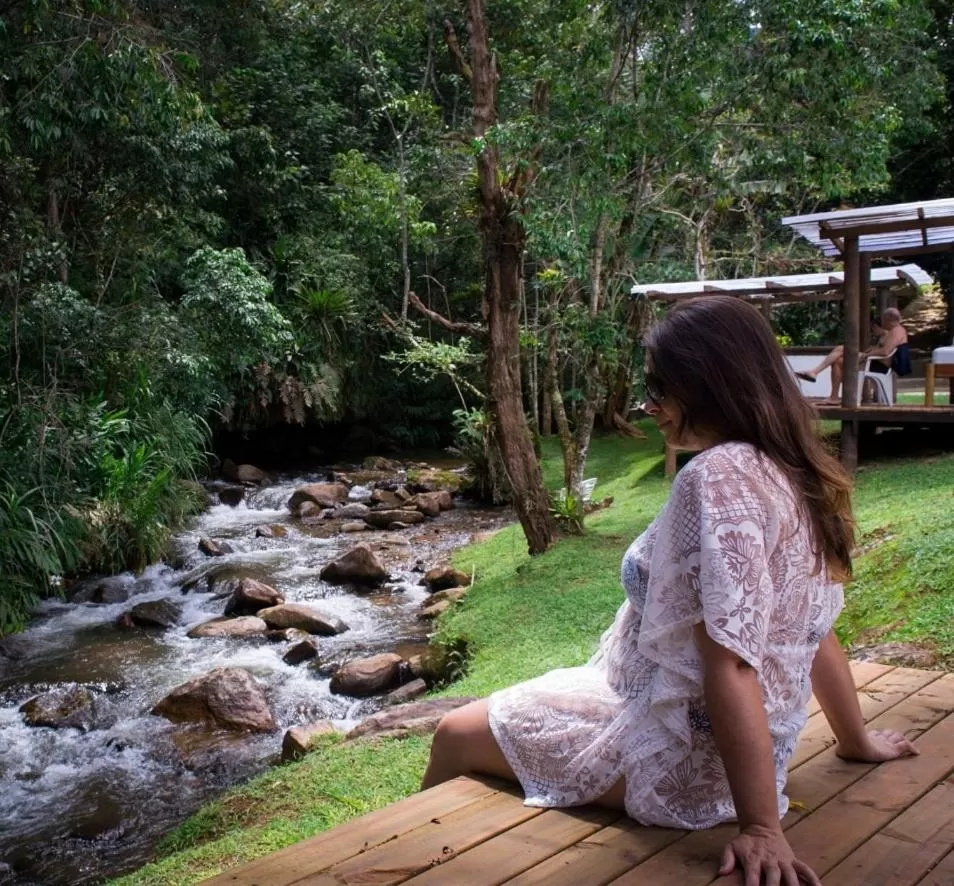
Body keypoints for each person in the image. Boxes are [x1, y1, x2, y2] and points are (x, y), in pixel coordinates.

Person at [421, 295, 918, 886]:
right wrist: (855, 740)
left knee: (453, 733)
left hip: (683, 754)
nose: (649, 405)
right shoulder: (793, 467)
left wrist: (762, 828)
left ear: (709, 385)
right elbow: (812, 626)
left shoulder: (716, 477)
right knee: (517, 705)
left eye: (660, 388)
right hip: (707, 730)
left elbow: (732, 661)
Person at [795, 307, 908, 403]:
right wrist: (871, 350)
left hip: (878, 366)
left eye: (883, 319)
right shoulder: (892, 331)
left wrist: (865, 355)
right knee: (838, 360)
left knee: (840, 349)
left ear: (887, 318)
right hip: (873, 362)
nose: (882, 322)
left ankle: (815, 372)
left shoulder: (897, 330)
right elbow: (883, 348)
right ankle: (833, 396)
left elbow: (885, 352)